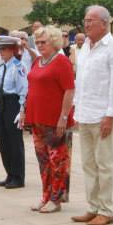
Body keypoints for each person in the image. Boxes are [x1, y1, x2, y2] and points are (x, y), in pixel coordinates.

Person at [72, 6, 113, 225]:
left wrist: (111, 115)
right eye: (85, 20)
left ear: (104, 23)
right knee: (88, 164)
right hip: (85, 114)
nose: (86, 24)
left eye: (91, 20)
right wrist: (76, 109)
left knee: (104, 164)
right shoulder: (85, 47)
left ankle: (106, 210)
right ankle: (93, 207)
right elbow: (80, 81)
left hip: (103, 115)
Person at [27, 25, 75, 213]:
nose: (39, 45)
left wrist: (63, 117)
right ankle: (45, 196)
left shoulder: (62, 62)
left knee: (58, 161)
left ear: (54, 41)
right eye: (37, 42)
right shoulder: (38, 61)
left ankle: (56, 199)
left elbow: (69, 90)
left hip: (55, 120)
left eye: (43, 42)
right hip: (37, 118)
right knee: (43, 161)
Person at [0, 36, 28, 189]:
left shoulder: (18, 67)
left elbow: (23, 90)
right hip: (1, 102)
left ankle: (18, 176)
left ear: (12, 50)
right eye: (0, 49)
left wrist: (22, 110)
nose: (1, 52)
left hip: (13, 103)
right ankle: (10, 173)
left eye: (4, 49)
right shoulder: (2, 66)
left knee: (14, 141)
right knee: (3, 140)